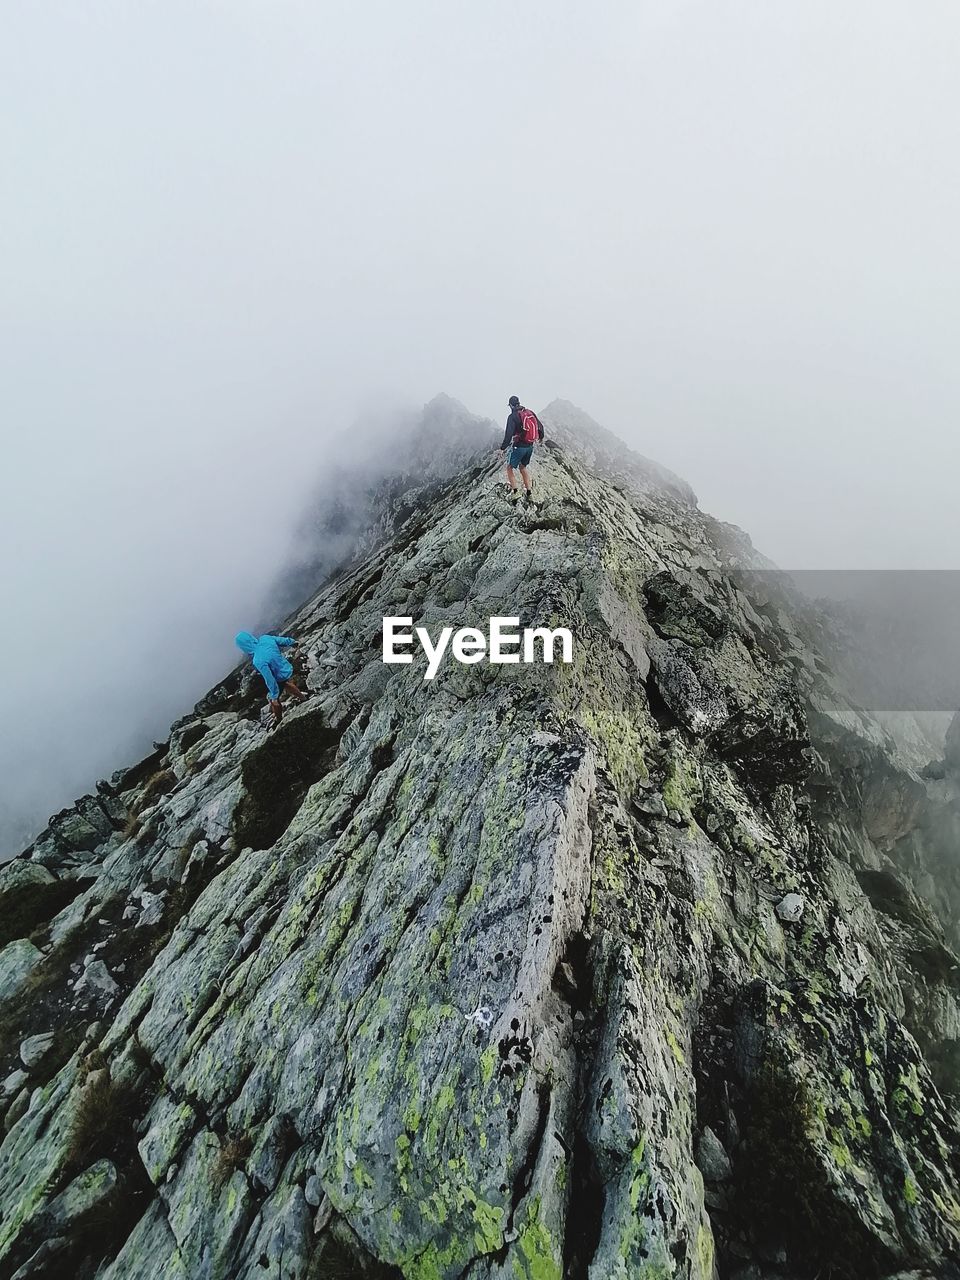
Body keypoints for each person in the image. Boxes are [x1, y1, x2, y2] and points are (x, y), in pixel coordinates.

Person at [235, 631, 305, 726]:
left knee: (274, 701)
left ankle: (279, 720)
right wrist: (292, 642)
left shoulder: (258, 660)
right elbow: (281, 640)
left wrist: (274, 694)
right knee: (286, 684)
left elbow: (269, 678)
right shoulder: (265, 638)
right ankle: (303, 698)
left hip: (278, 676)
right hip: (285, 667)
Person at [498, 395, 544, 503]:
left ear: (510, 405)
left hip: (519, 446)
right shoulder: (529, 412)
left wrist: (502, 448)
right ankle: (529, 493)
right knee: (523, 467)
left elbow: (508, 434)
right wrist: (541, 437)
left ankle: (515, 492)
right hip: (530, 446)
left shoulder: (512, 416)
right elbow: (540, 426)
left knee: (509, 467)